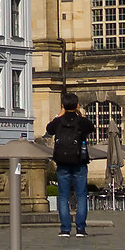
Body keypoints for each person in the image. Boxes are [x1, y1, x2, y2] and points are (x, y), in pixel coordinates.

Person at [43, 91, 92, 237]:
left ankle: (65, 229)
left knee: (63, 196)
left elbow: (49, 129)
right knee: (81, 195)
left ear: (63, 105)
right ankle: (80, 228)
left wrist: (59, 114)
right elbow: (91, 127)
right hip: (79, 161)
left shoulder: (58, 121)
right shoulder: (81, 121)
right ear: (77, 105)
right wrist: (81, 114)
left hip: (62, 161)